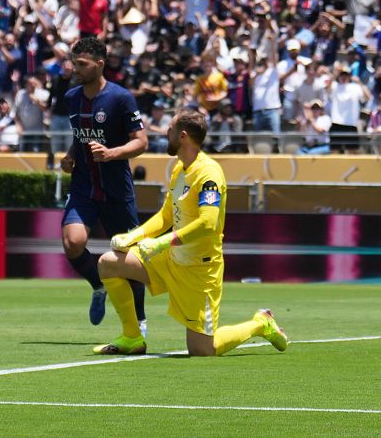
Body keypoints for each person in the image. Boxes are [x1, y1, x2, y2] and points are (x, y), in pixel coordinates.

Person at [95, 109, 288, 356]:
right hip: (170, 259)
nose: (166, 132)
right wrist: (135, 236)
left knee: (202, 350)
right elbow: (166, 215)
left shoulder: (209, 174)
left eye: (171, 129)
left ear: (183, 136)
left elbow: (208, 222)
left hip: (199, 269)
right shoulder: (179, 168)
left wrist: (161, 243)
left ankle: (261, 323)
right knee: (109, 263)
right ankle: (132, 338)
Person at [59, 37, 149, 332]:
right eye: (74, 63)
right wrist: (71, 155)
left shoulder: (121, 98)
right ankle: (99, 286)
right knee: (73, 243)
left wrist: (112, 153)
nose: (76, 69)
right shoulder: (72, 96)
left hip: (116, 191)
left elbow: (141, 141)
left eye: (82, 64)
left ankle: (140, 321)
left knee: (130, 259)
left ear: (100, 64)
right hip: (84, 187)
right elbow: (80, 135)